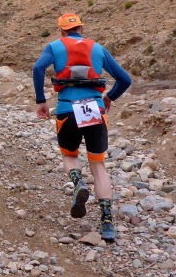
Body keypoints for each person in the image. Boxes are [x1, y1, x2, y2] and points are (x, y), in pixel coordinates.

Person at [32, 13, 131, 241]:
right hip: (95, 109)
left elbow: (38, 68)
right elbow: (125, 79)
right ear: (82, 29)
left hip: (67, 109)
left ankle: (78, 183)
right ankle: (107, 223)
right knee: (98, 165)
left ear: (61, 31)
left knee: (70, 155)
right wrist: (109, 97)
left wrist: (41, 101)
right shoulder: (98, 48)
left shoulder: (54, 46)